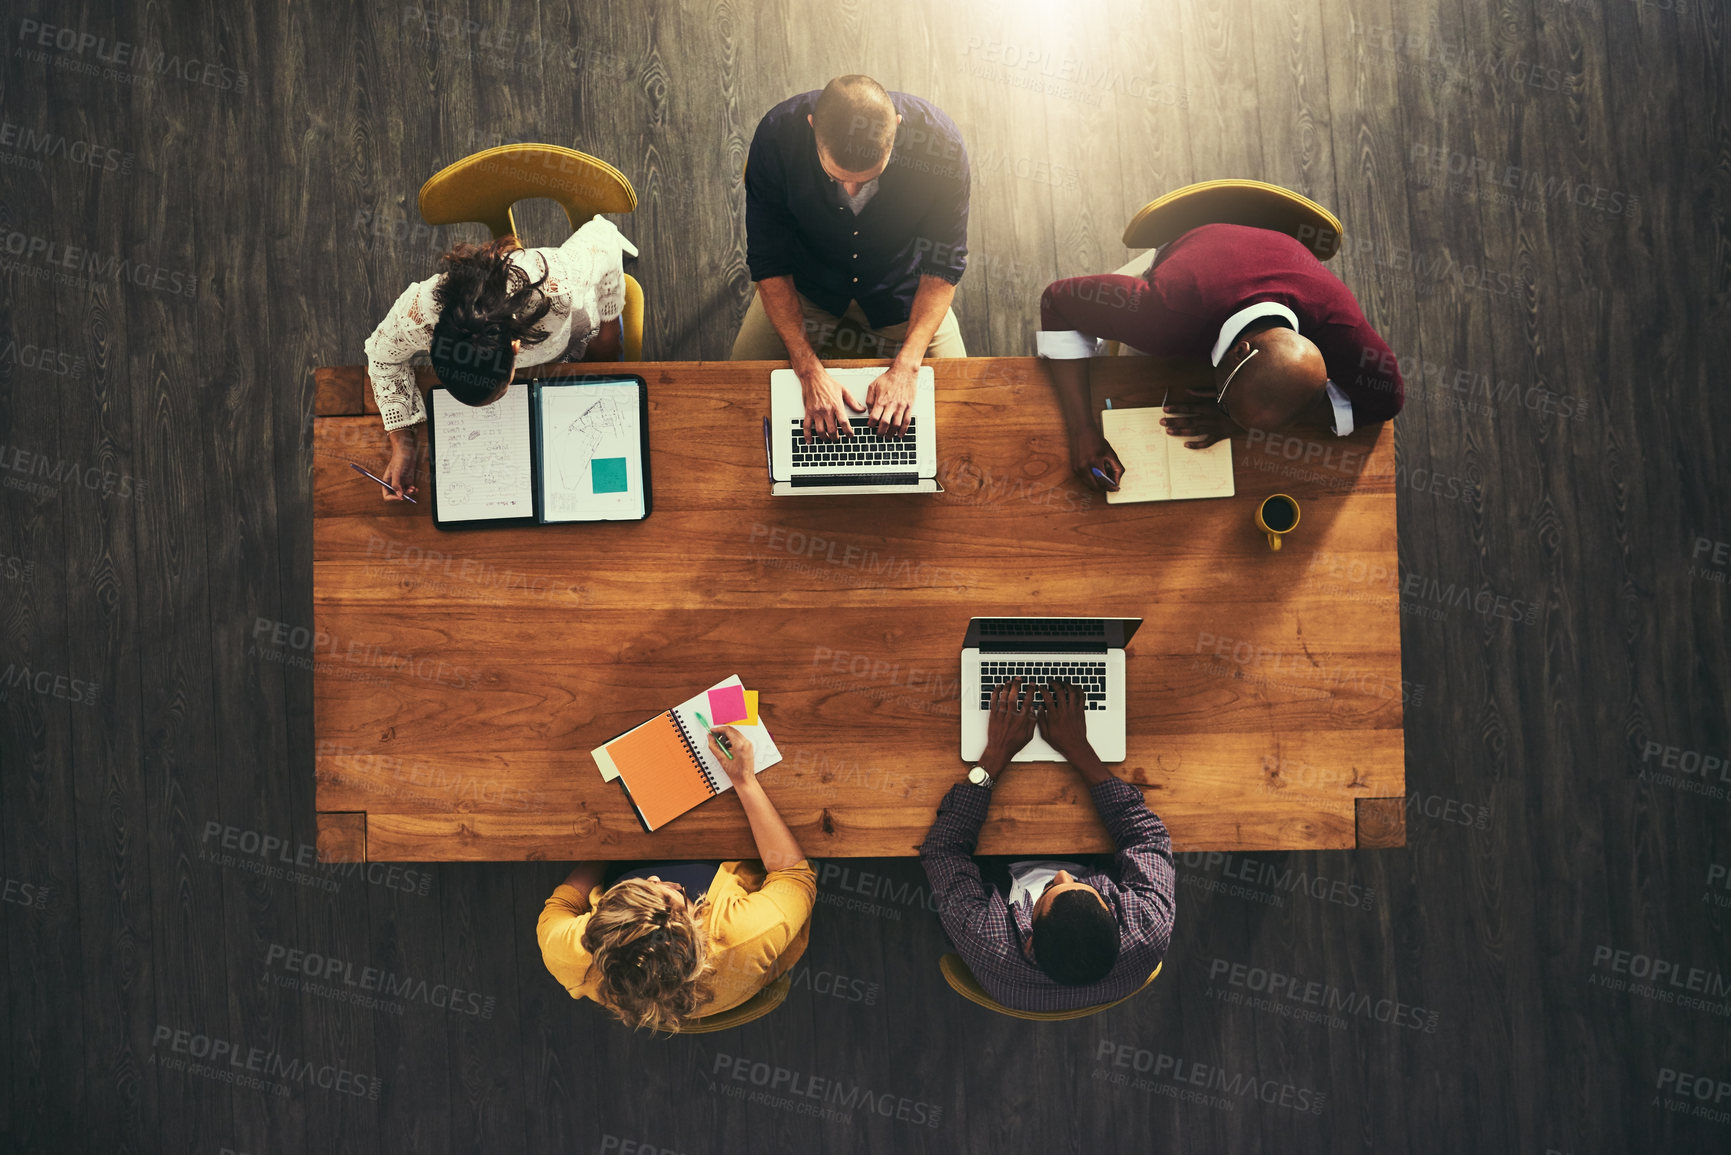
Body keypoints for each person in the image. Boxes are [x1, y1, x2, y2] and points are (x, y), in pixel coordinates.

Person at [1037, 222, 1405, 491]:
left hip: (1269, 247)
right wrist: (1082, 429)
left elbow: (1388, 398)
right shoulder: (1162, 314)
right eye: (1228, 406)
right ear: (1239, 352)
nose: (1233, 421)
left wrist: (1236, 423)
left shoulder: (1337, 324)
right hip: (1197, 237)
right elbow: (1057, 301)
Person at [732, 74, 970, 439]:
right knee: (735, 397)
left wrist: (907, 367)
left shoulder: (942, 145)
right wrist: (808, 370)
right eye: (836, 176)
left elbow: (944, 265)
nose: (852, 190)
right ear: (812, 128)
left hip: (902, 292)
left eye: (869, 177)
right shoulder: (778, 135)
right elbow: (769, 262)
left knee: (963, 410)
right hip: (805, 286)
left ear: (897, 128)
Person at [536, 726, 816, 1032]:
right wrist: (743, 779)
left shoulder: (569, 952)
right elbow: (793, 874)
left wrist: (611, 841)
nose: (655, 878)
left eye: (642, 888)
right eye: (667, 898)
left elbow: (564, 902)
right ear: (693, 925)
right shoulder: (746, 934)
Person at [919, 679, 1176, 1012]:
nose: (1063, 875)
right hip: (1089, 844)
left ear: (1029, 944)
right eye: (1082, 888)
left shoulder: (989, 940)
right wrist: (1078, 748)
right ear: (1114, 916)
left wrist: (995, 753)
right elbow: (1148, 836)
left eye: (1051, 890)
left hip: (997, 871)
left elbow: (943, 849)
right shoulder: (1146, 928)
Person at [364, 216, 638, 500]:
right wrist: (402, 441)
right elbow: (382, 357)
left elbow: (604, 236)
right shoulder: (418, 315)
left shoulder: (560, 285)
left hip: (573, 332)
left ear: (516, 348)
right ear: (434, 343)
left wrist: (607, 330)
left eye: (500, 391)